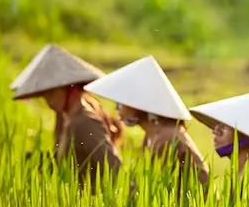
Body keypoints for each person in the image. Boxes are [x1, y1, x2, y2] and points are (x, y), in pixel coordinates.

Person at [84, 56, 209, 189]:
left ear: (138, 103)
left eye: (121, 103)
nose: (117, 108)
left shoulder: (166, 137)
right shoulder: (153, 134)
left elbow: (163, 189)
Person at [11, 44, 123, 188]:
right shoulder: (64, 117)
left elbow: (114, 169)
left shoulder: (84, 122)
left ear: (69, 87)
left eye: (51, 93)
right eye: (44, 96)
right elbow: (67, 163)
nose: (48, 102)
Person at [190, 90, 249, 192]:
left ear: (248, 134)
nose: (215, 131)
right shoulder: (236, 174)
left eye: (224, 126)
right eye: (217, 125)